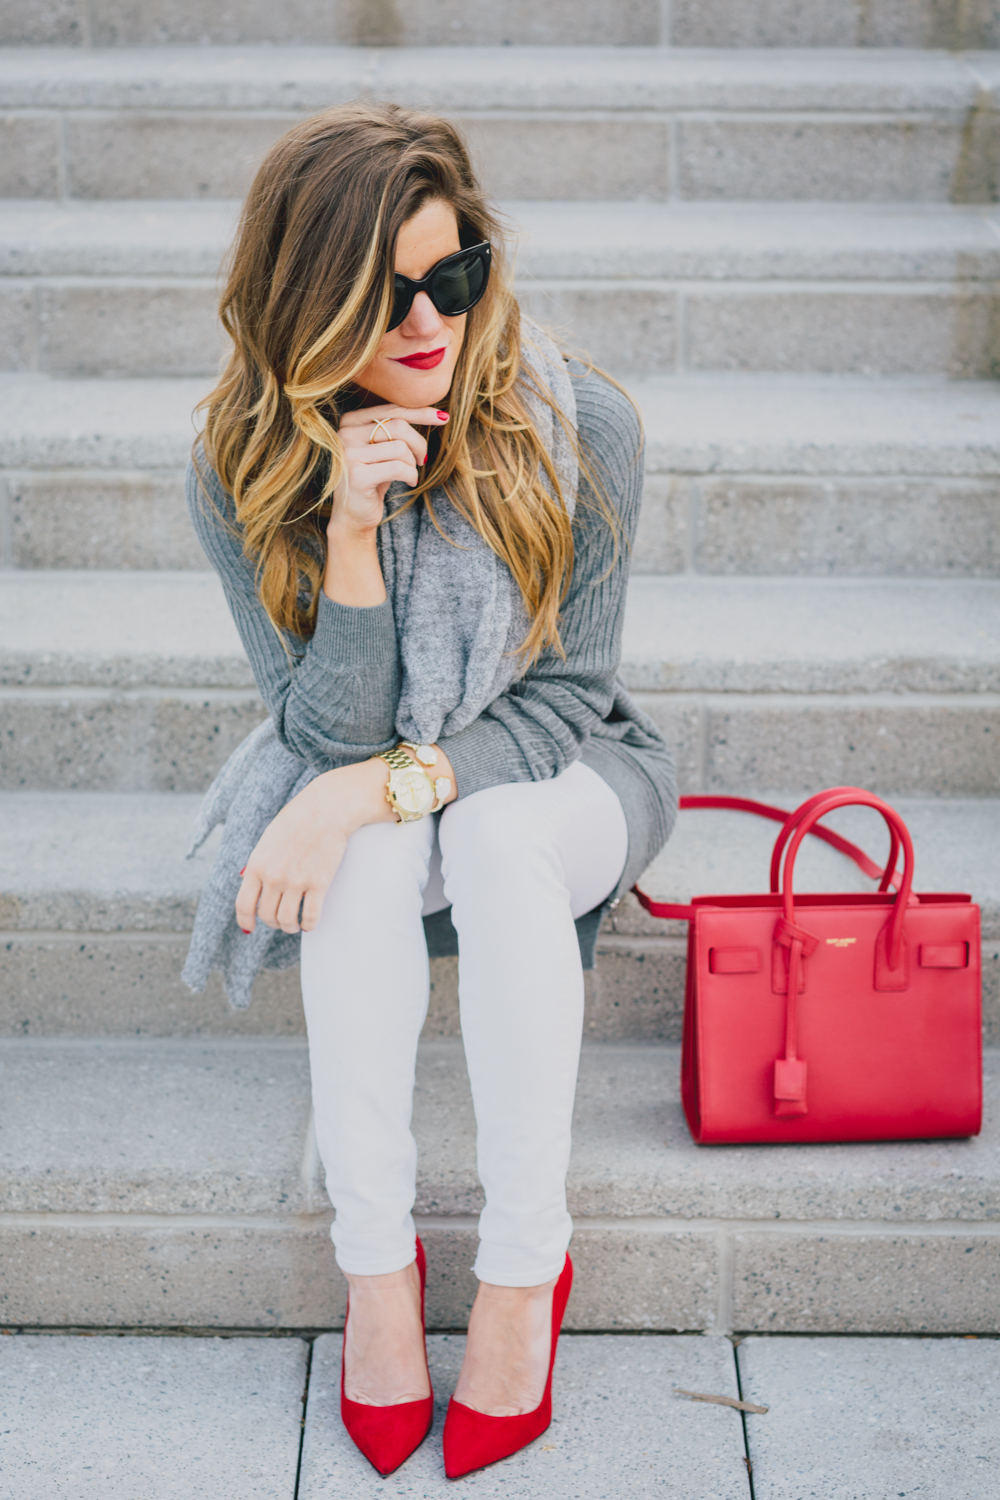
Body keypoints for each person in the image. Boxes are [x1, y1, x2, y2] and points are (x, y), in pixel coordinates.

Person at [182, 101, 676, 1479]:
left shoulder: (583, 429)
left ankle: (524, 1276)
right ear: (306, 304)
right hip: (393, 770)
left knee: (490, 832)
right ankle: (378, 1276)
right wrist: (349, 535)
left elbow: (567, 702)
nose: (429, 323)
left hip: (566, 771)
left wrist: (351, 794)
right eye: (381, 295)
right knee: (374, 854)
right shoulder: (240, 465)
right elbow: (328, 732)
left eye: (451, 277)